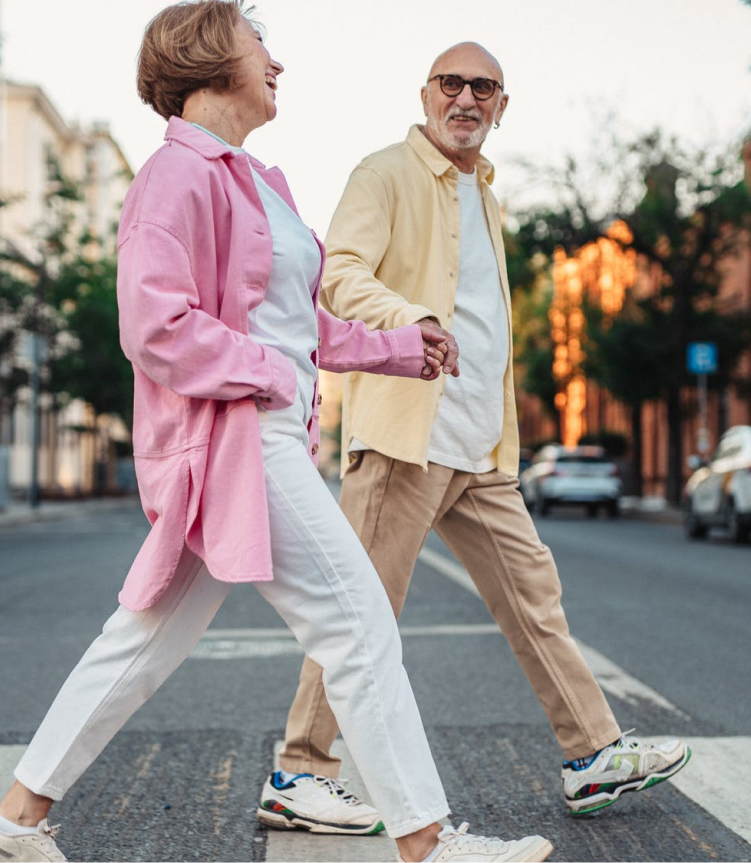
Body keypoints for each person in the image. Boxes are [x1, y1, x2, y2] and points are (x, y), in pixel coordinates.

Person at [0, 6, 554, 863]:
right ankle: (428, 842)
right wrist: (265, 373)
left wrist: (402, 347)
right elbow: (154, 325)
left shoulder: (257, 183)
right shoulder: (173, 175)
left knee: (142, 640)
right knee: (360, 624)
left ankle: (15, 818)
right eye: (263, 47)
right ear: (210, 57)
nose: (278, 65)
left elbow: (304, 328)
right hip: (240, 438)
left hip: (261, 435)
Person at [259, 40, 691, 834]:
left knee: (535, 600)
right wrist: (406, 317)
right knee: (361, 611)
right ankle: (299, 770)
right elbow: (339, 273)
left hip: (480, 446)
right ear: (425, 94)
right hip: (404, 438)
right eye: (451, 83)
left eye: (482, 87)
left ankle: (591, 753)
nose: (465, 98)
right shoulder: (382, 173)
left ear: (500, 104)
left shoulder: (485, 194)